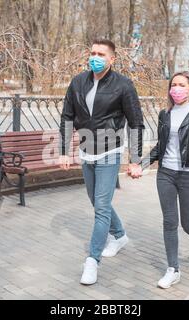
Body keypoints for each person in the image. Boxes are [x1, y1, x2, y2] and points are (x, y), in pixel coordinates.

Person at [59, 39, 144, 285]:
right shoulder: (78, 82)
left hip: (110, 150)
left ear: (112, 59)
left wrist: (136, 160)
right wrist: (64, 150)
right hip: (87, 150)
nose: (95, 57)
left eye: (101, 54)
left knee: (102, 207)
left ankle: (92, 261)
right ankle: (119, 235)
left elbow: (136, 122)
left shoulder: (123, 85)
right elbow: (67, 116)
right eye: (92, 53)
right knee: (96, 201)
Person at [137, 71, 189, 289]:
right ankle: (173, 269)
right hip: (166, 175)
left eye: (181, 84)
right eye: (173, 85)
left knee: (188, 223)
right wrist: (141, 164)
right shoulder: (165, 114)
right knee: (169, 222)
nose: (176, 89)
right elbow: (160, 147)